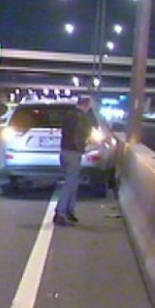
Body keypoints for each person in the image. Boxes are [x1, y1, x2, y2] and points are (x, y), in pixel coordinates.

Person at [54, 96, 94, 226]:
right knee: (70, 184)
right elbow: (82, 135)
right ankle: (60, 212)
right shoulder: (81, 118)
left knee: (72, 182)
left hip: (64, 151)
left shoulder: (69, 115)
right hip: (73, 152)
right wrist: (82, 146)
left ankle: (69, 211)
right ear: (86, 105)